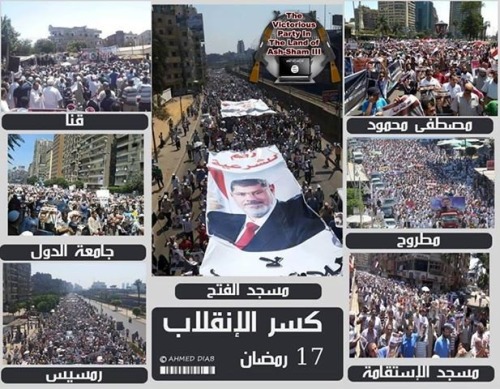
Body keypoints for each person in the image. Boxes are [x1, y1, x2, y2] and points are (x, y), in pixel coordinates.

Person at [207, 178, 328, 252]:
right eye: (241, 194)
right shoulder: (220, 222)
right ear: (232, 196)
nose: (250, 199)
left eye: (257, 192)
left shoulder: (298, 222)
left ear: (272, 189)